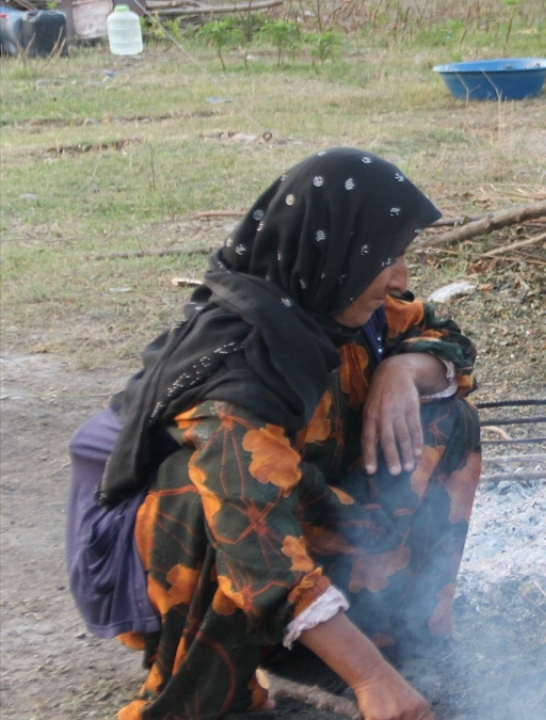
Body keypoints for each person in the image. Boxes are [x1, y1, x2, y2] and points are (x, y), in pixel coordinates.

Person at [65, 148, 480, 720]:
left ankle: (384, 629)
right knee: (201, 496)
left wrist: (402, 370)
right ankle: (214, 692)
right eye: (388, 259)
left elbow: (448, 341)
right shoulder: (238, 367)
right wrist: (371, 682)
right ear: (336, 253)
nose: (402, 277)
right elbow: (256, 540)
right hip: (173, 552)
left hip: (289, 502)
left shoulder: (342, 302)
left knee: (445, 417)